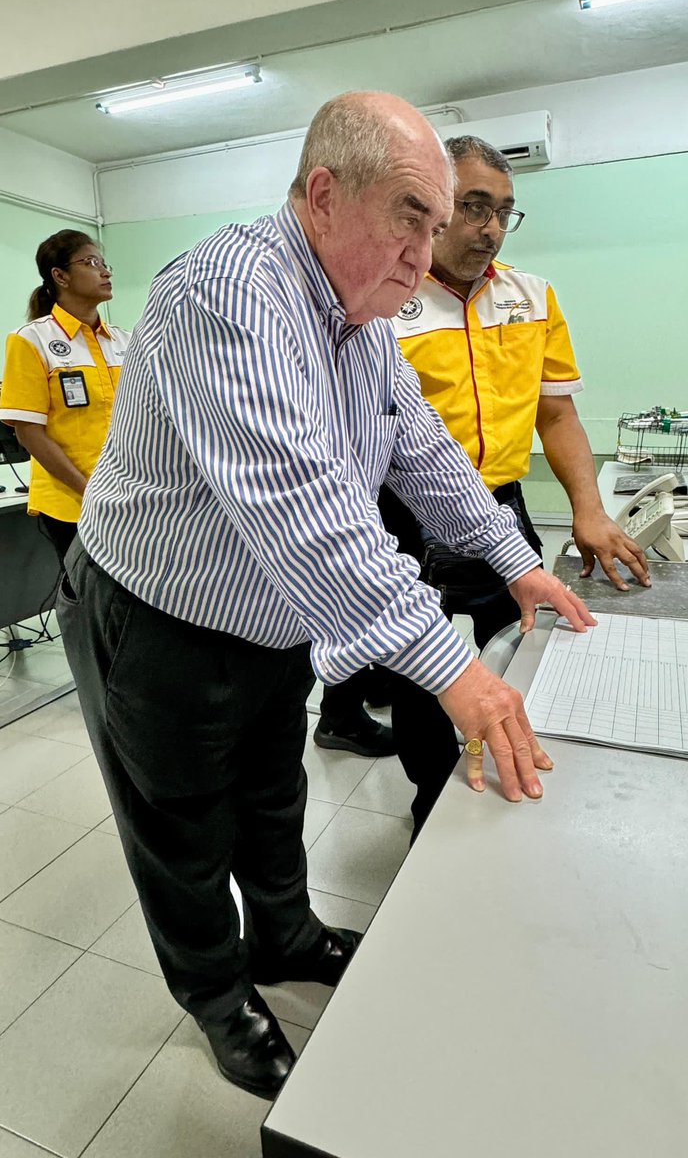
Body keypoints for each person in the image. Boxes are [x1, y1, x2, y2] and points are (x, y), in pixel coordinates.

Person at [56, 92, 594, 1100]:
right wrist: (454, 671)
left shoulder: (363, 316)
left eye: (436, 229)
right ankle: (217, 994)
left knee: (272, 788)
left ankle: (287, 935)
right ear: (323, 195)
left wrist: (514, 557)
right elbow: (307, 504)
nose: (424, 252)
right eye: (410, 216)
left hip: (264, 614)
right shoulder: (231, 292)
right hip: (156, 611)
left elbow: (419, 448)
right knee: (178, 822)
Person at [381, 134, 651, 835]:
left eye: (504, 210)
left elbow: (556, 414)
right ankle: (429, 803)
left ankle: (516, 755)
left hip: (499, 506)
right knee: (423, 668)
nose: (491, 226)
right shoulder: (387, 300)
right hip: (402, 515)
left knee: (530, 642)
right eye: (473, 206)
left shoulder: (532, 299)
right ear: (434, 206)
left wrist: (588, 511)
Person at [0, 231, 128, 563]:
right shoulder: (32, 340)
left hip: (128, 500)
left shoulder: (126, 342)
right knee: (88, 602)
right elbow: (29, 433)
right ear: (60, 276)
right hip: (72, 502)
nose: (106, 271)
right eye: (91, 262)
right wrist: (90, 491)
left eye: (104, 262)